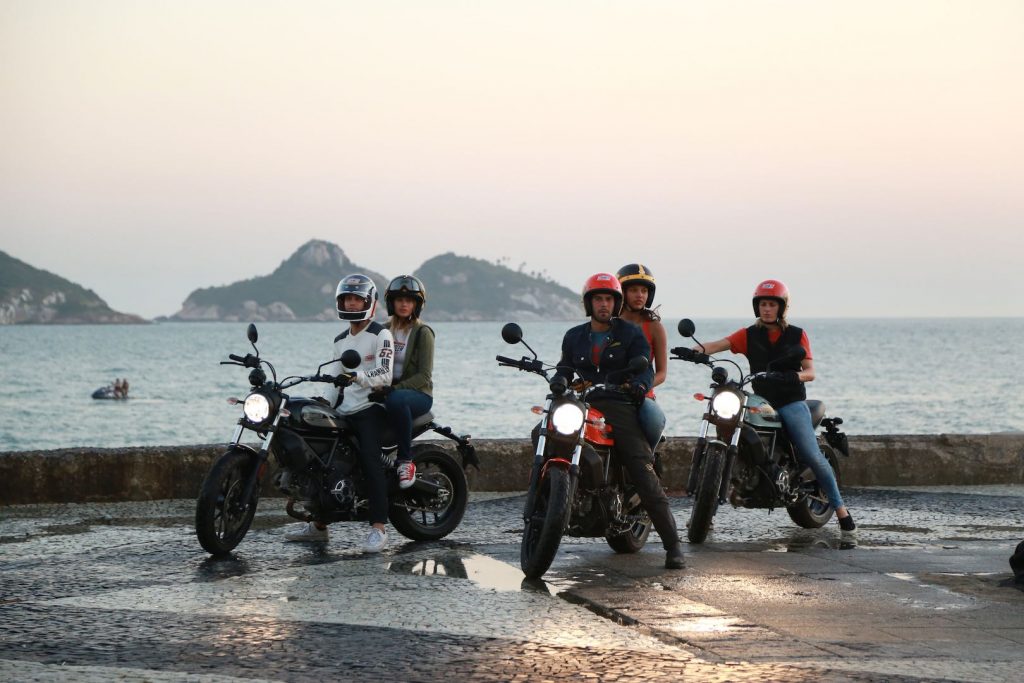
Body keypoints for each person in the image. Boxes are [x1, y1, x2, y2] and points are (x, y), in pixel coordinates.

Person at [694, 279, 857, 536]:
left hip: (791, 402)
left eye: (771, 304)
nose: (766, 309)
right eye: (762, 304)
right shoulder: (749, 334)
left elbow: (810, 372)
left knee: (811, 454)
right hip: (762, 401)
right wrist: (694, 351)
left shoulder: (796, 334)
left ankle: (841, 510)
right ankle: (708, 513)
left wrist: (795, 377)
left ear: (781, 308)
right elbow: (718, 345)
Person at [549, 273, 686, 570]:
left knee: (640, 467)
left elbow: (646, 367)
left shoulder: (631, 333)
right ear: (589, 303)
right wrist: (559, 380)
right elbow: (565, 366)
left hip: (618, 403)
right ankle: (546, 505)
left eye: (609, 298)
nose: (603, 304)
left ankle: (673, 545)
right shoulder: (574, 335)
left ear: (616, 302)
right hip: (582, 402)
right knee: (543, 431)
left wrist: (638, 384)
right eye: (598, 298)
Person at [285, 273, 395, 552]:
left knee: (371, 459)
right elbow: (334, 378)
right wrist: (322, 400)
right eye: (347, 298)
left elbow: (385, 373)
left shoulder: (380, 334)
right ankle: (319, 524)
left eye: (357, 299)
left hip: (370, 408)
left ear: (368, 302)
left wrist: (357, 377)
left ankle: (379, 528)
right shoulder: (340, 339)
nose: (352, 303)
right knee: (321, 459)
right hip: (345, 410)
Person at [372, 275, 435, 489]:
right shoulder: (381, 330)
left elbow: (424, 376)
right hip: (387, 391)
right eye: (399, 299)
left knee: (397, 400)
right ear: (392, 303)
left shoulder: (423, 333)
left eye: (409, 301)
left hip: (418, 395)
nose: (404, 304)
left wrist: (394, 389)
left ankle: (405, 461)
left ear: (417, 305)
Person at [616, 264, 667, 452]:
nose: (640, 295)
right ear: (622, 293)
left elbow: (661, 372)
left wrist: (642, 386)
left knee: (651, 421)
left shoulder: (654, 327)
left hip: (642, 395)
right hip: (610, 391)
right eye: (634, 290)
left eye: (644, 291)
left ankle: (650, 458)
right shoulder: (610, 324)